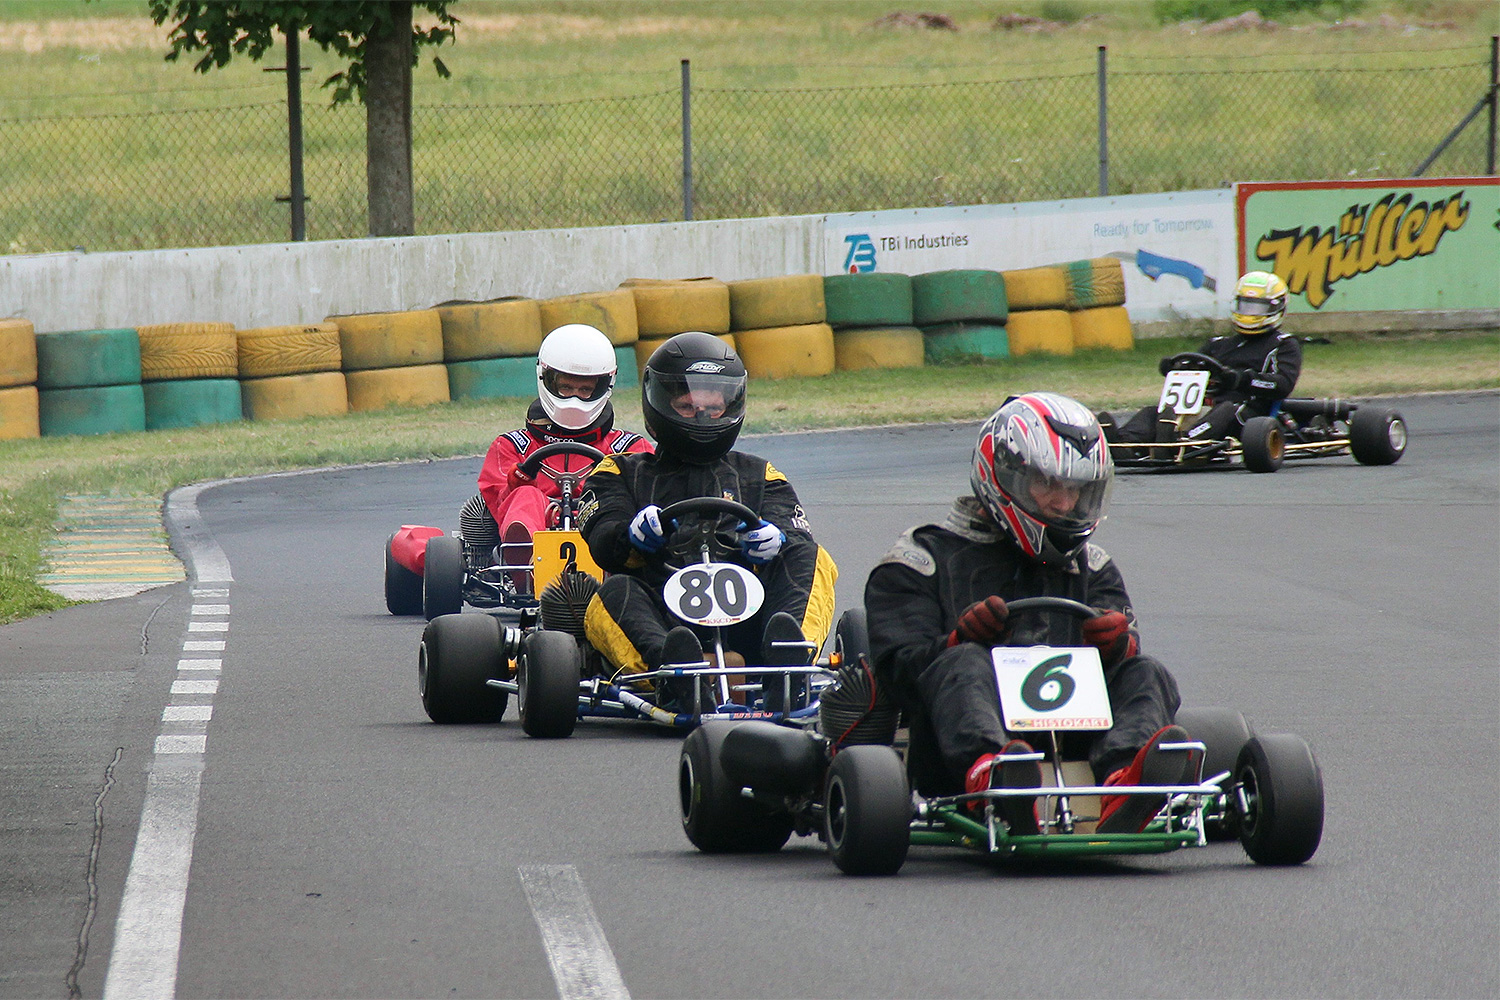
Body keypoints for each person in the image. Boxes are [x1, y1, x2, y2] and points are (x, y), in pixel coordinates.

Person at [863, 392, 1195, 835]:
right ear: (1004, 476)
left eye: (1074, 488)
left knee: (1146, 671)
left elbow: (1125, 654)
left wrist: (1116, 645)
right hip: (955, 746)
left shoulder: (1091, 565)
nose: (1063, 504)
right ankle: (997, 778)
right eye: (1049, 485)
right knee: (963, 662)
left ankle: (1125, 784)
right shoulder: (920, 559)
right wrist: (958, 642)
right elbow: (895, 674)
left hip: (1080, 735)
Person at [576, 331, 838, 709]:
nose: (701, 416)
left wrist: (775, 538)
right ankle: (673, 674)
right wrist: (630, 536)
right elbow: (602, 539)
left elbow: (797, 536)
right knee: (613, 593)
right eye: (687, 406)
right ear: (659, 403)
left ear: (731, 405)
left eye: (713, 407)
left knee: (813, 558)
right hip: (662, 617)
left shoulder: (761, 475)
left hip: (750, 621)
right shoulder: (618, 472)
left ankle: (789, 663)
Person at [459, 323, 653, 598]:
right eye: (565, 387)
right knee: (524, 495)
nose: (574, 397)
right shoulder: (512, 446)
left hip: (605, 534)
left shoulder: (629, 448)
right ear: (547, 380)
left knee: (623, 502)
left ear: (602, 386)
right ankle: (524, 568)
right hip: (538, 528)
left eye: (585, 389)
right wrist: (520, 481)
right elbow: (498, 500)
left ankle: (618, 574)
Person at [1104, 270, 1303, 446]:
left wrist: (1240, 379)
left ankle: (1185, 442)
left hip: (1249, 415)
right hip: (1206, 408)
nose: (1249, 313)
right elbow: (1194, 367)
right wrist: (1174, 369)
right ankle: (1124, 443)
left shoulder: (1283, 344)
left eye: (1256, 308)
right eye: (1245, 306)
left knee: (1226, 410)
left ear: (1276, 308)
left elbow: (1282, 384)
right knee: (1153, 412)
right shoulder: (1219, 343)